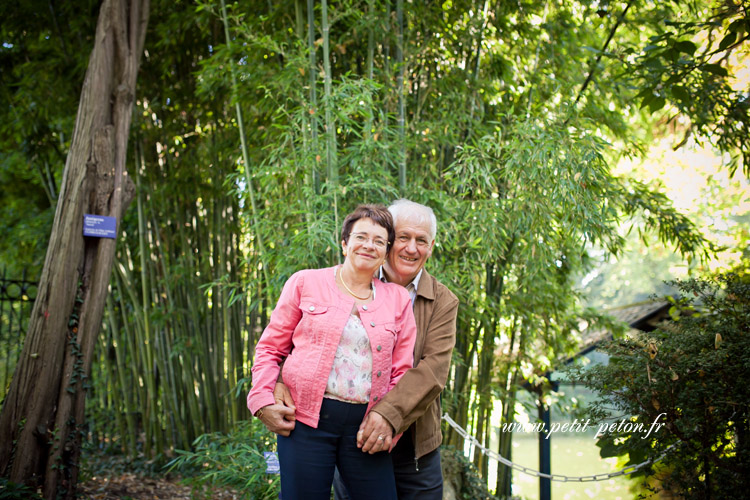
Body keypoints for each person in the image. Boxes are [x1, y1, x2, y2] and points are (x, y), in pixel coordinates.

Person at [274, 199, 459, 500]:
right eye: (403, 238)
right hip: (355, 435)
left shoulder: (442, 300)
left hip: (413, 439)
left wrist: (387, 415)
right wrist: (282, 380)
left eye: (421, 241)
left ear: (432, 246)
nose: (412, 248)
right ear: (388, 241)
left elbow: (432, 372)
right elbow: (308, 341)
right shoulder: (347, 279)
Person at [247, 204, 417, 500]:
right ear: (344, 243)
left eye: (379, 241)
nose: (369, 245)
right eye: (361, 236)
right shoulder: (305, 282)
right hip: (305, 422)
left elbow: (401, 371)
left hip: (366, 428)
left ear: (386, 251)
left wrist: (389, 422)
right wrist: (263, 400)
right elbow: (270, 348)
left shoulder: (398, 299)